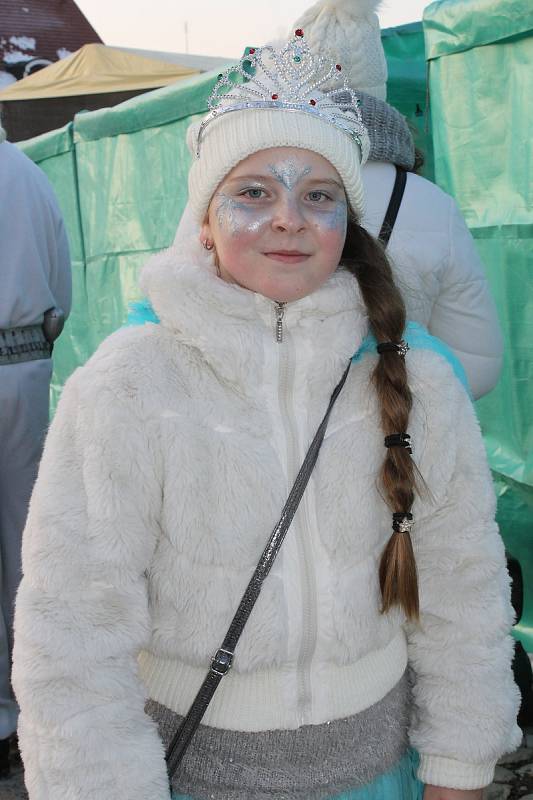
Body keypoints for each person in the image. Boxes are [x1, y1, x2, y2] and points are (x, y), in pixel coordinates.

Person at [13, 31, 520, 800]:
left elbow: (461, 582)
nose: (287, 218)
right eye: (252, 191)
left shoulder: (416, 376)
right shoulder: (127, 384)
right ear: (204, 221)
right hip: (195, 774)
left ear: (347, 224)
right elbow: (74, 627)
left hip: (383, 773)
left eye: (318, 196)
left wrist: (459, 761)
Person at [291, 0, 504, 399]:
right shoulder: (434, 204)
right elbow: (478, 363)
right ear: (380, 85)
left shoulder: (239, 191)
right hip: (396, 444)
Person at [0, 124, 71, 778]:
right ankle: (29, 710)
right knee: (27, 541)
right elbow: (61, 289)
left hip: (21, 359)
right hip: (24, 367)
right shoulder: (30, 175)